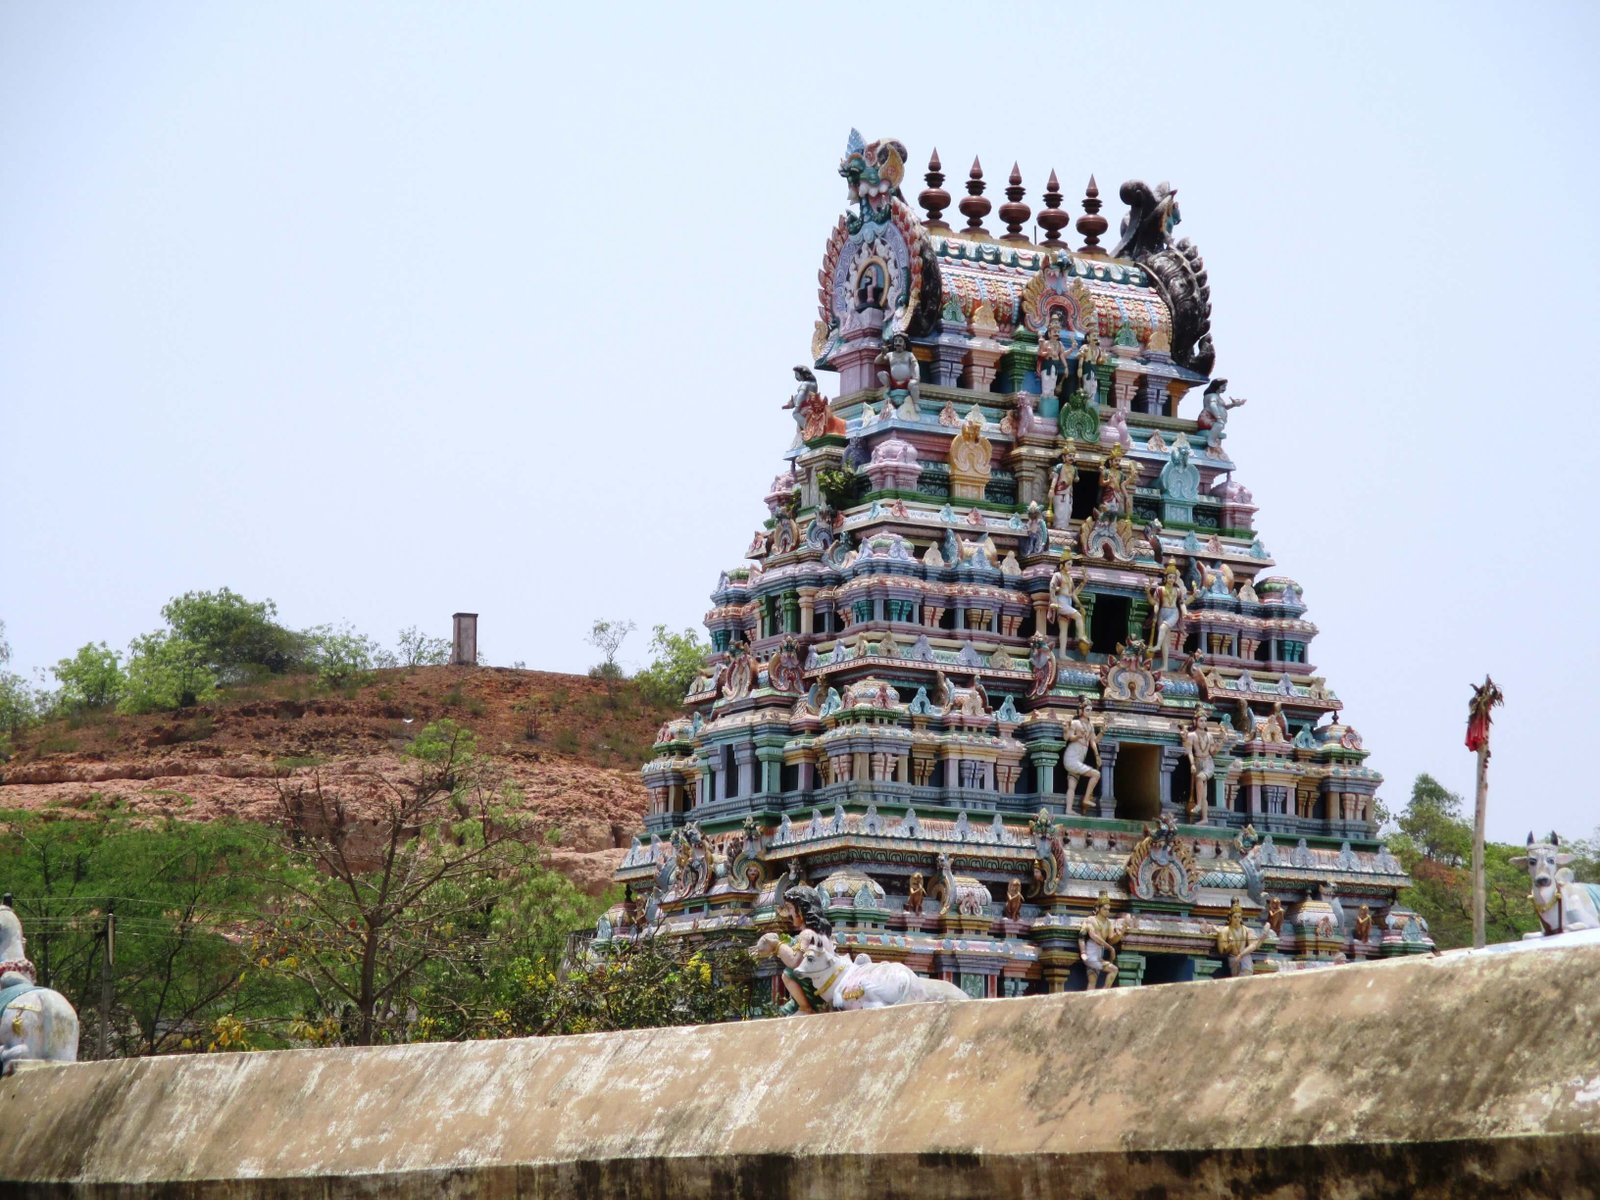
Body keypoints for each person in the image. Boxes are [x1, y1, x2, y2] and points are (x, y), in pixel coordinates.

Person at [1062, 697, 1103, 813]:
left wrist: (1102, 732)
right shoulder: (1075, 723)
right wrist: (1078, 736)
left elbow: (1094, 741)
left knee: (1072, 785)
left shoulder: (1090, 726)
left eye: (1091, 710)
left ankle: (1068, 809)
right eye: (1087, 710)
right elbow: (1068, 737)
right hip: (1072, 757)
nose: (1090, 712)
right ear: (1081, 711)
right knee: (1096, 774)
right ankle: (1086, 798)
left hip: (1079, 758)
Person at [1079, 892, 1122, 989]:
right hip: (1091, 954)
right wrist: (1083, 952)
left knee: (1092, 982)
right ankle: (1104, 992)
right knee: (1114, 970)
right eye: (1105, 909)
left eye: (1108, 909)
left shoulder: (1108, 923)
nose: (1107, 911)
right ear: (1098, 909)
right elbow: (1086, 936)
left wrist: (1120, 933)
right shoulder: (1091, 920)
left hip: (1099, 954)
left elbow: (1110, 940)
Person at [1049, 554, 1088, 656]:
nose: (1070, 566)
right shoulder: (1057, 575)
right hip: (1061, 602)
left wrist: (1083, 583)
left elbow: (1073, 594)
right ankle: (1081, 637)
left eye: (1071, 564)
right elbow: (1052, 588)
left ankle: (1062, 654)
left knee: (1064, 629)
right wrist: (1054, 602)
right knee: (1078, 616)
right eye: (1068, 564)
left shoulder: (1070, 578)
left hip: (1068, 602)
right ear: (1062, 565)